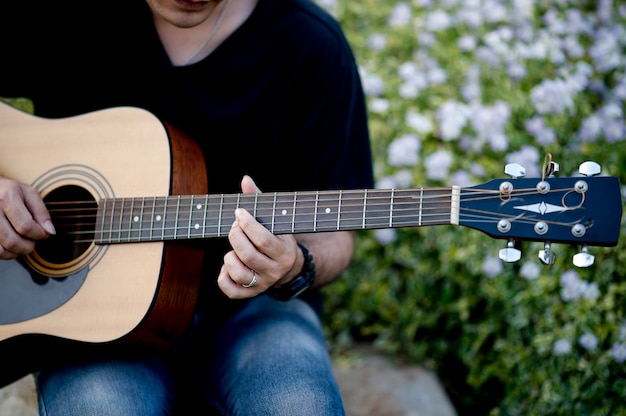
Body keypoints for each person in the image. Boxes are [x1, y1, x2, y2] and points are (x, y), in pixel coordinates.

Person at [0, 0, 373, 415]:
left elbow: (334, 234)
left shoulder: (311, 44)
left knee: (300, 407)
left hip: (256, 309)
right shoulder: (56, 20)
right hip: (90, 319)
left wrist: (295, 264)